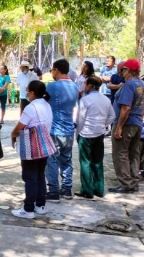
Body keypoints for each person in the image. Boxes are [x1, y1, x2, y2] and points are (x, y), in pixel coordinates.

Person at [10, 80, 52, 219]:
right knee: (40, 176)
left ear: (32, 93)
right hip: (44, 145)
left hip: (32, 146)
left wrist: (13, 136)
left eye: (28, 90)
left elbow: (19, 127)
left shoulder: (30, 107)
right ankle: (40, 205)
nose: (26, 93)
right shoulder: (46, 104)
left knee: (30, 177)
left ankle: (28, 209)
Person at [109, 59, 144, 193]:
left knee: (120, 154)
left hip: (126, 124)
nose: (122, 72)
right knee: (133, 154)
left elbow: (126, 107)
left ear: (129, 71)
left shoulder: (128, 85)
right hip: (137, 123)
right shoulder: (142, 84)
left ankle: (126, 183)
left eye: (124, 70)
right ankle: (133, 182)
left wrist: (119, 127)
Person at [75, 76, 115, 199]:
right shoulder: (106, 99)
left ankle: (87, 190)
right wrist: (103, 125)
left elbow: (80, 119)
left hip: (86, 133)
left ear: (90, 86)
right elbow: (112, 116)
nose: (84, 86)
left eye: (86, 84)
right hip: (99, 133)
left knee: (85, 162)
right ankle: (99, 189)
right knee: (97, 161)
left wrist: (78, 132)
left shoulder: (85, 100)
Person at [45, 59, 79, 201]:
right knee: (66, 160)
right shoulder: (75, 87)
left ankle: (53, 191)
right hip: (69, 130)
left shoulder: (52, 87)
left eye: (52, 70)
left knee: (51, 160)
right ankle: (67, 189)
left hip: (54, 130)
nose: (52, 73)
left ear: (57, 70)